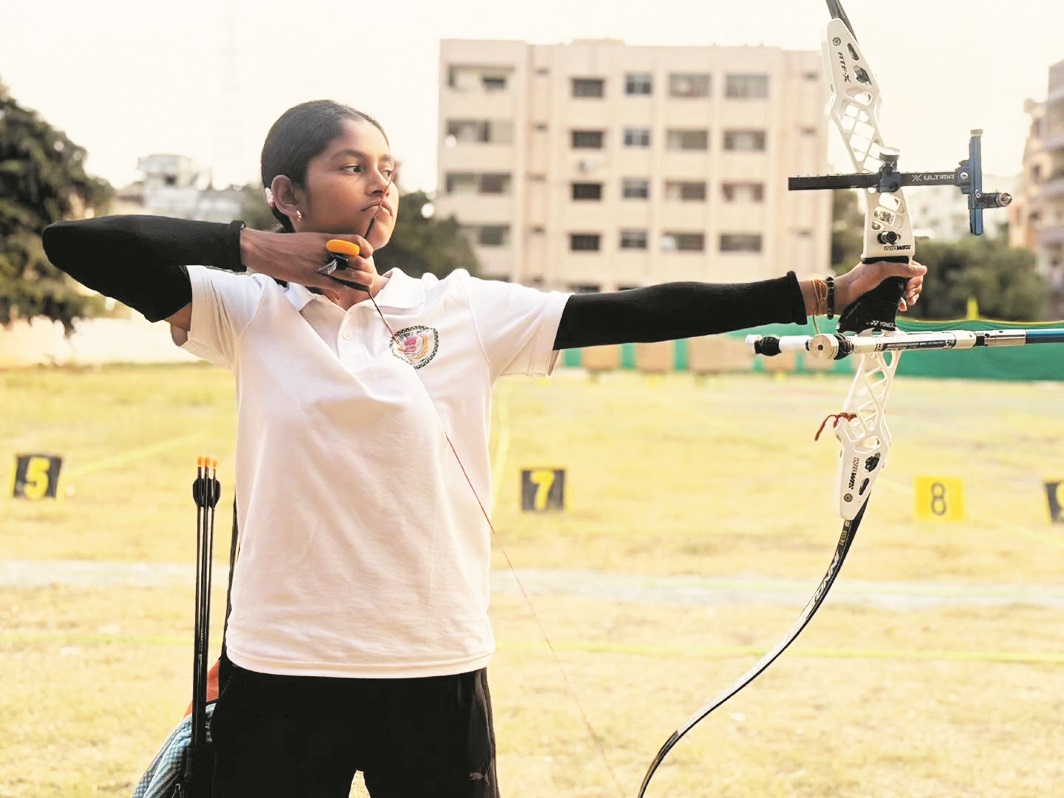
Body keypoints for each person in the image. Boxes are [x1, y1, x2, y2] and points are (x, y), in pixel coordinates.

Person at [41, 99, 925, 798]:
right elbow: (78, 244)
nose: (380, 186)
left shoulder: (460, 308)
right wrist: (263, 254)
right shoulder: (243, 309)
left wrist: (828, 290)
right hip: (279, 664)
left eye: (389, 170)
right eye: (352, 167)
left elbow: (641, 309)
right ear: (286, 191)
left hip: (433, 661)